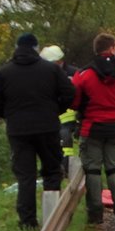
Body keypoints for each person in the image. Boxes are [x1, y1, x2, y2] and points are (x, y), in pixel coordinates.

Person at [0, 32, 75, 229]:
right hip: (47, 127)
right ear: (36, 48)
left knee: (25, 175)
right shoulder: (51, 70)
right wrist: (55, 110)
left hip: (18, 131)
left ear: (17, 48)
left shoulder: (5, 72)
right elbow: (69, 92)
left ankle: (27, 222)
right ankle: (53, 218)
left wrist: (9, 114)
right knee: (52, 171)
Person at [72, 33, 115, 225]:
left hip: (92, 127)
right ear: (112, 48)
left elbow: (75, 101)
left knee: (93, 170)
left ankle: (95, 213)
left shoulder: (84, 74)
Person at [41, 45, 80, 175]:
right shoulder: (47, 74)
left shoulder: (74, 73)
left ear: (58, 61)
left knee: (66, 140)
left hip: (70, 115)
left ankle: (66, 168)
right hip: (53, 116)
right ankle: (56, 168)